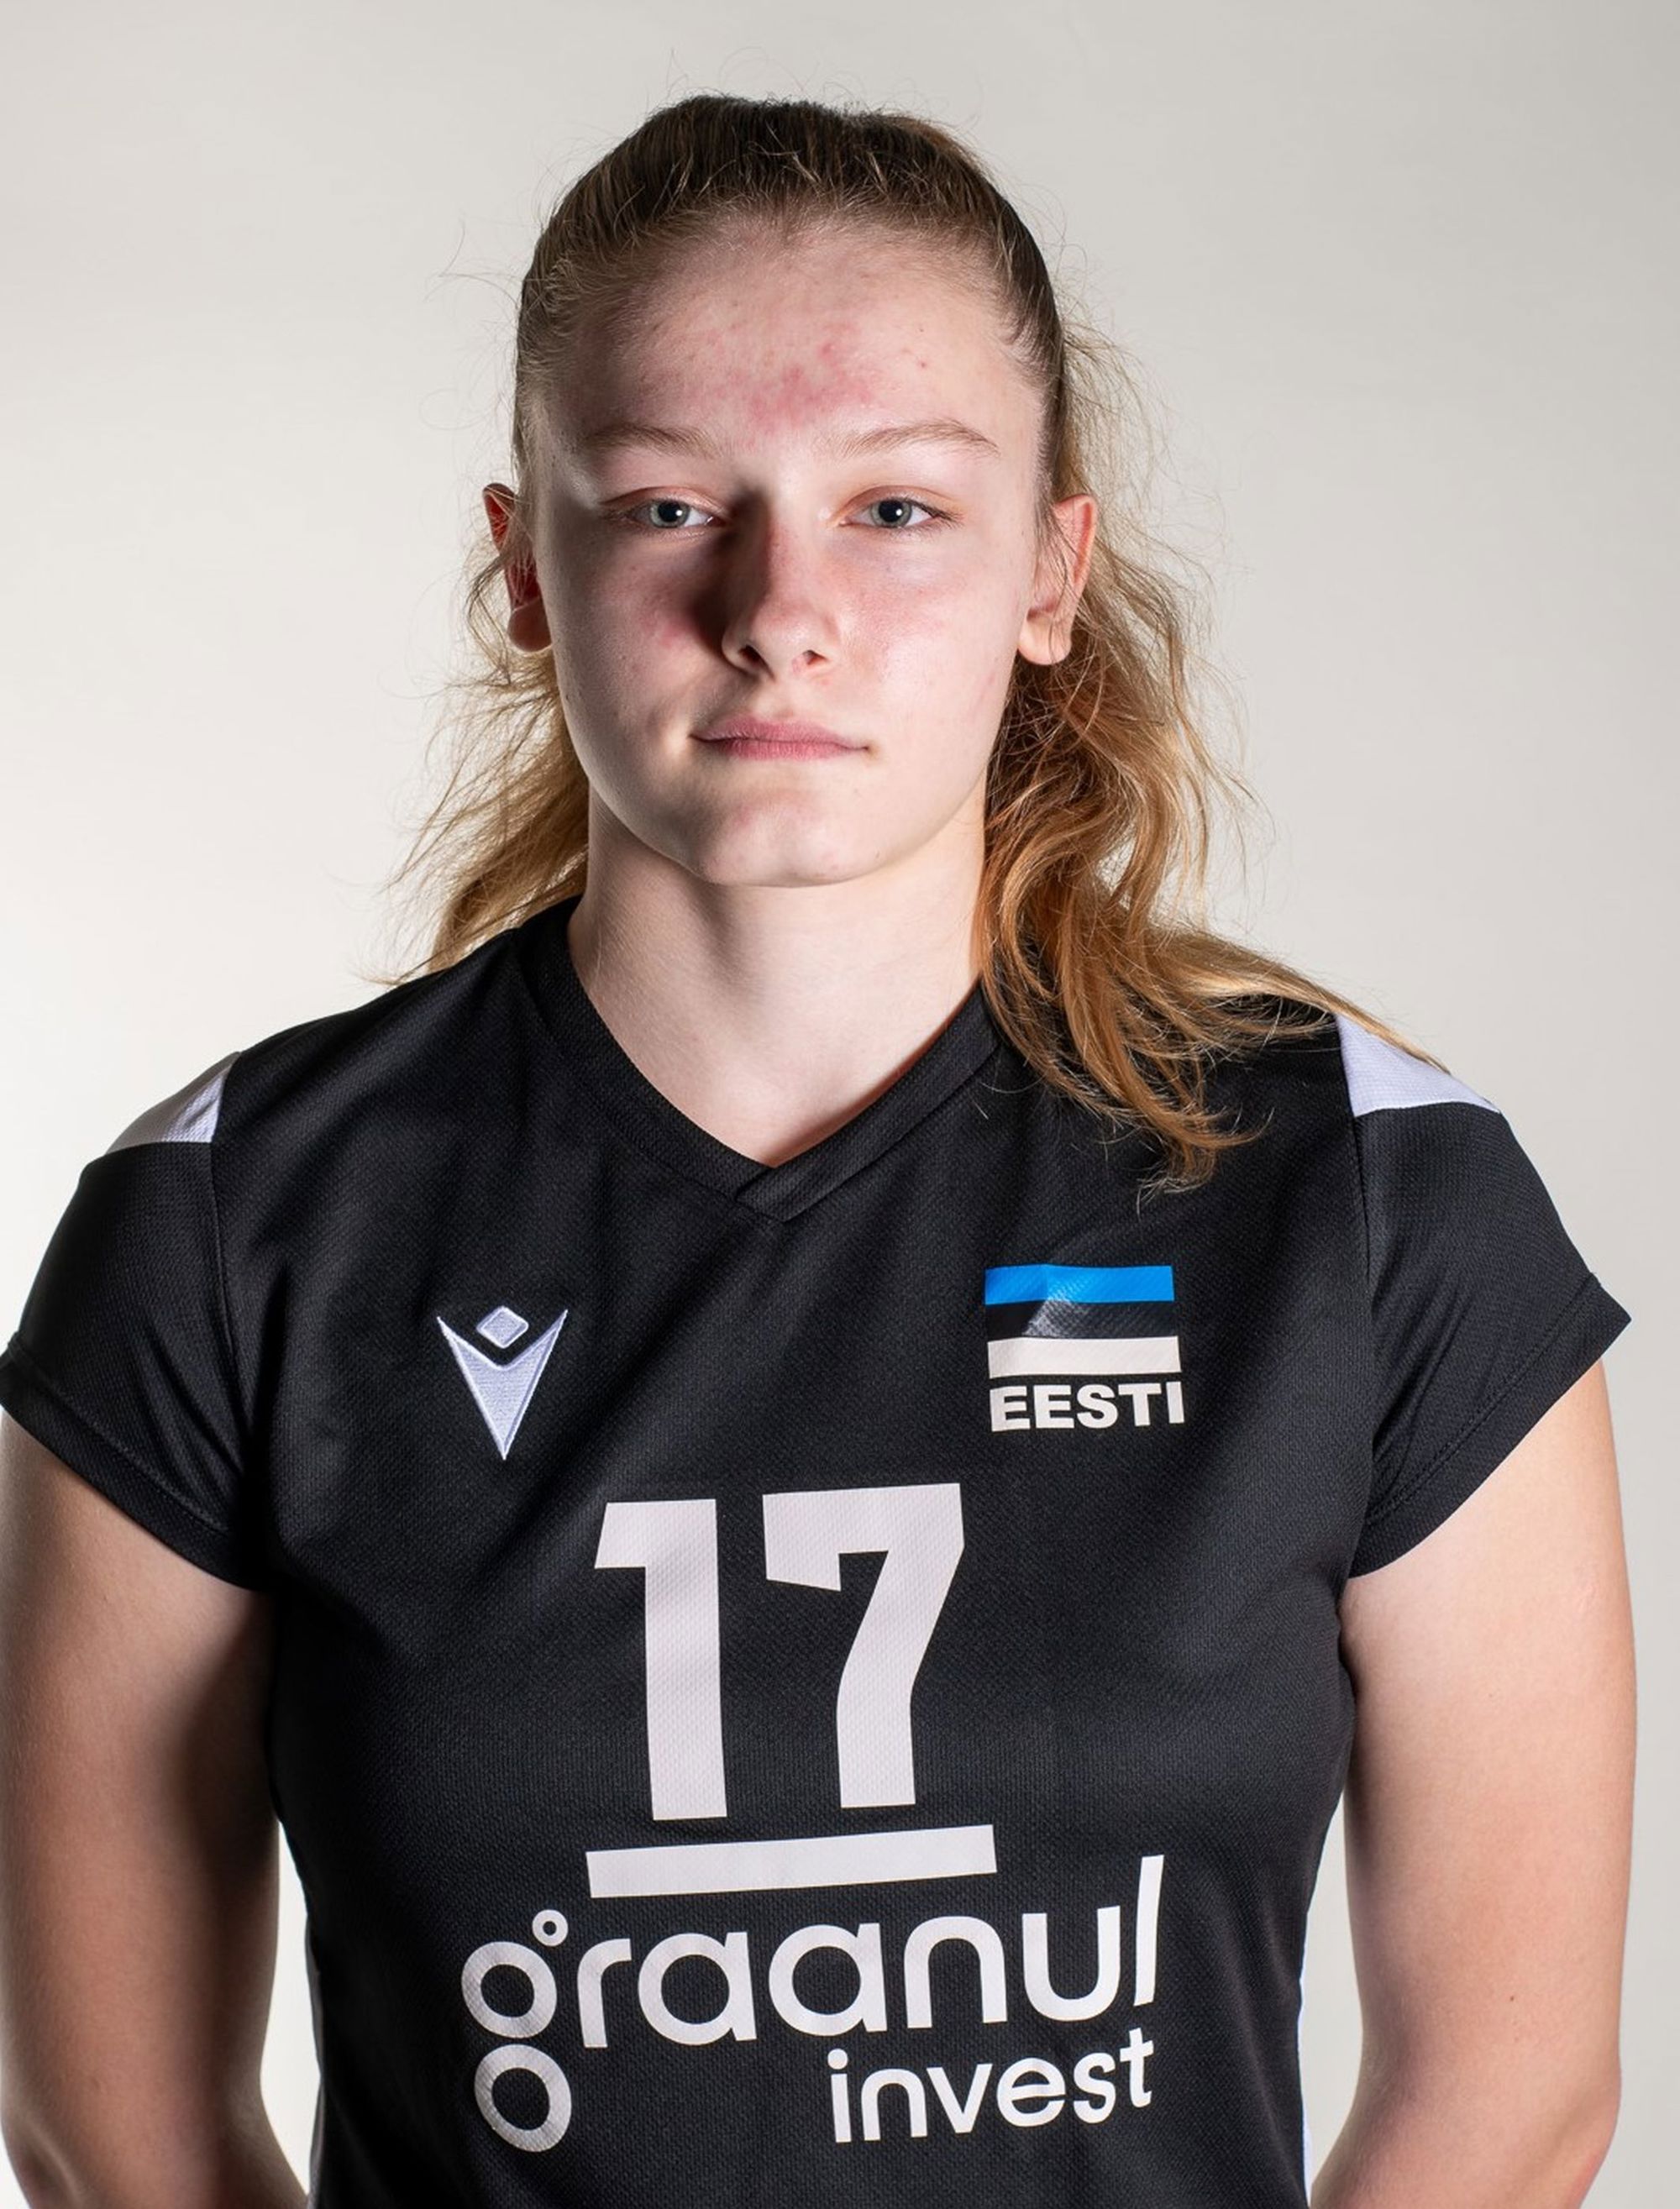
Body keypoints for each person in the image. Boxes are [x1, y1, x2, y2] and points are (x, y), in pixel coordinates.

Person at [0, 92, 1634, 2209]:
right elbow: (115, 2137)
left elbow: (1507, 2108)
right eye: (671, 502)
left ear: (1051, 570)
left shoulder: (1375, 1204)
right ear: (525, 565)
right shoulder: (231, 1227)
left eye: (897, 508)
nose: (779, 608)